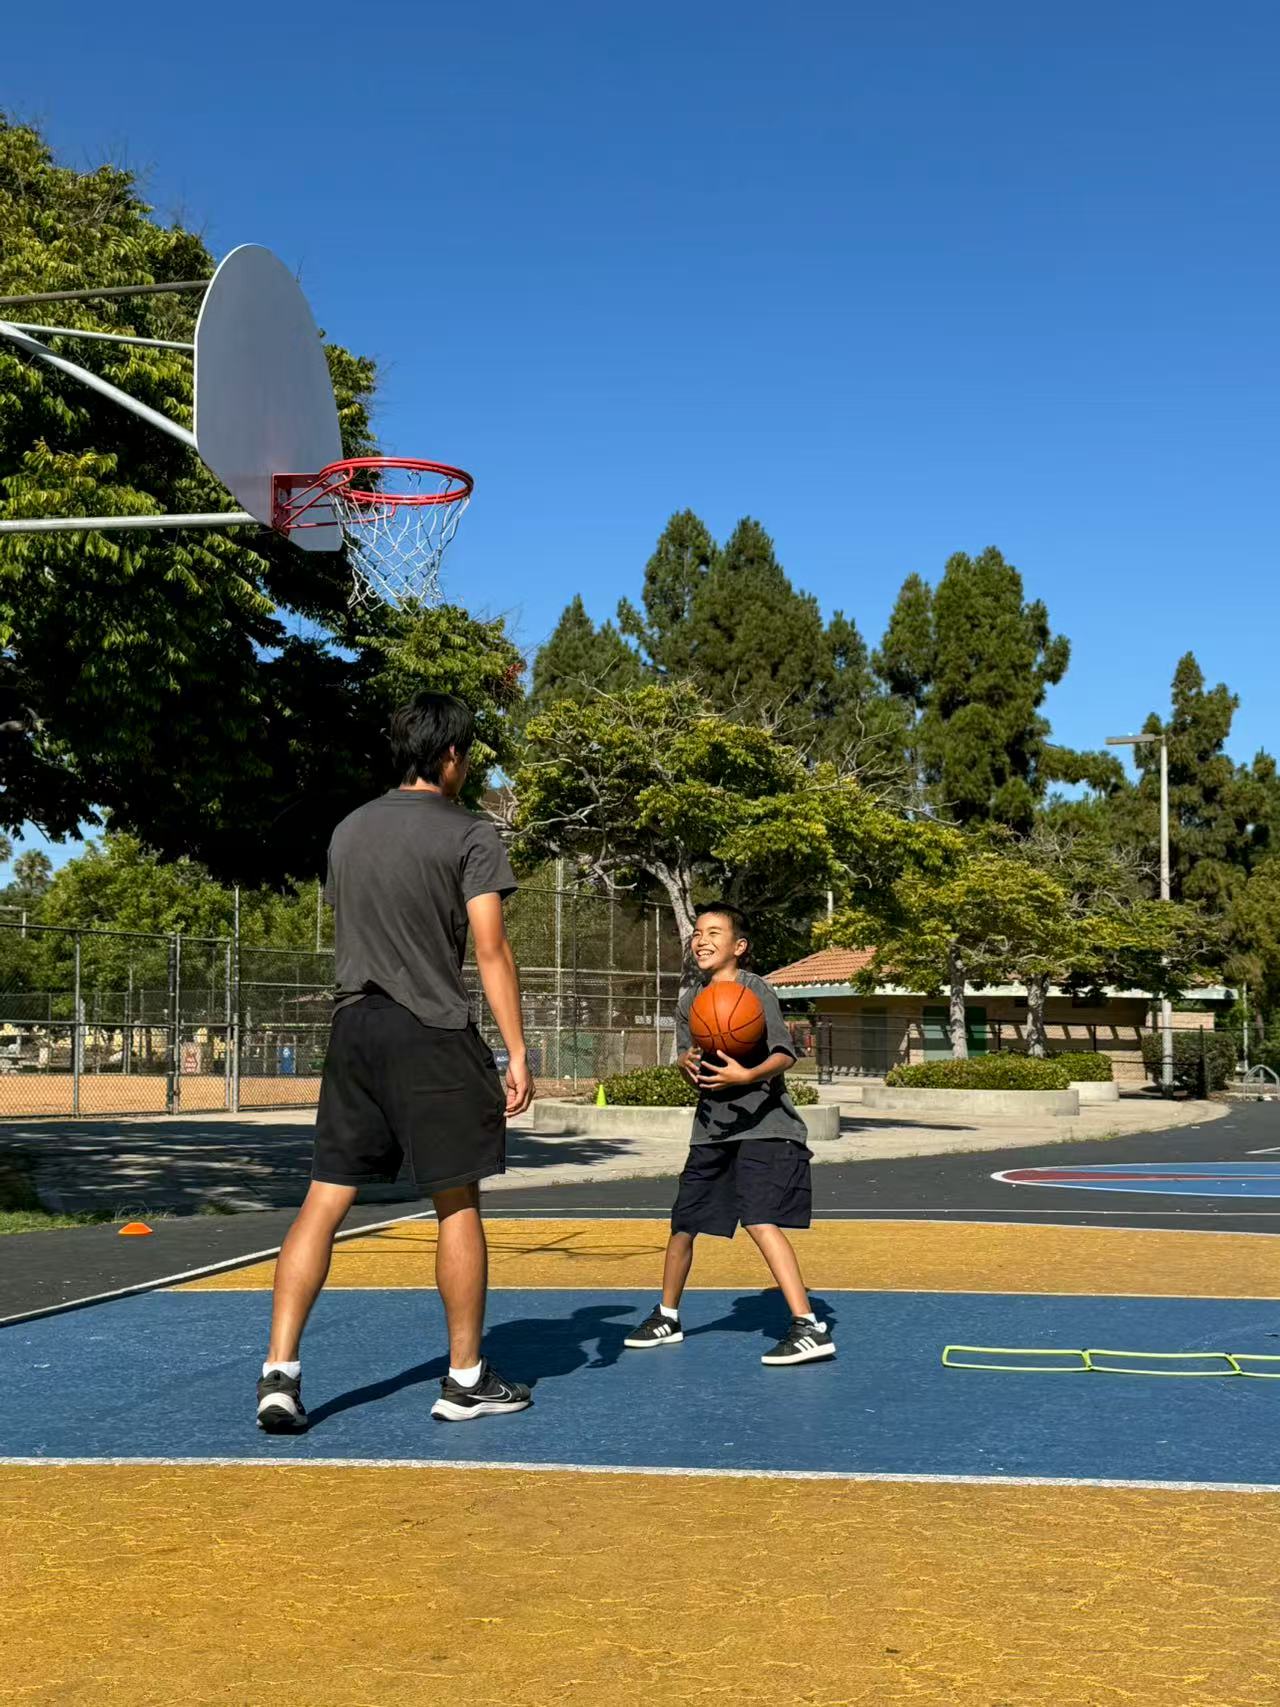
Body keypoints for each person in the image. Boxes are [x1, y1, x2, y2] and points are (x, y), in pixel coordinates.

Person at [255, 691, 535, 1431]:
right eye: (466, 753)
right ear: (450, 755)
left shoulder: (348, 831)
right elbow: (490, 947)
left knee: (325, 1198)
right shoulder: (472, 833)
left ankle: (279, 1373)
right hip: (429, 1030)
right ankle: (466, 1378)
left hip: (353, 1029)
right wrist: (516, 1048)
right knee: (456, 1202)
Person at [623, 903, 834, 1365]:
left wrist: (747, 1075)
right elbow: (691, 1068)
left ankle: (807, 1325)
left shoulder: (755, 990)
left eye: (713, 932)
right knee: (683, 1223)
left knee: (760, 1217)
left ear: (738, 946)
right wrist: (685, 1064)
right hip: (711, 1130)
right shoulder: (687, 1001)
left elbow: (785, 1055)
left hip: (765, 1125)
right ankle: (667, 1315)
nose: (701, 939)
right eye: (697, 932)